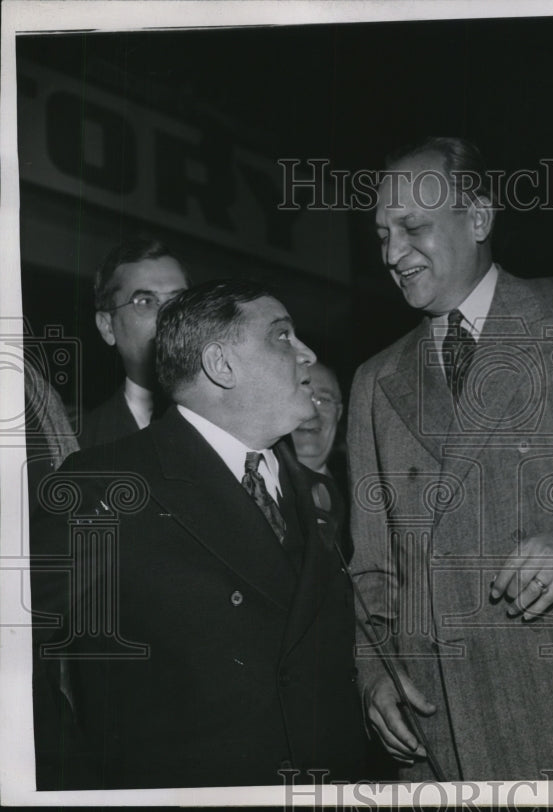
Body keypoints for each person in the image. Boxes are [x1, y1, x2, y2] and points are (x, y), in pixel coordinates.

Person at [348, 137, 553, 780]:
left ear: (478, 219)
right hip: (444, 735)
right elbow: (373, 573)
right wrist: (376, 675)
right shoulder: (374, 380)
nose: (393, 254)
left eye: (412, 227)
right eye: (381, 235)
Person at [31, 279, 365, 789]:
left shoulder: (315, 491)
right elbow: (13, 656)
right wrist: (69, 787)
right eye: (282, 336)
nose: (307, 354)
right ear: (220, 365)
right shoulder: (106, 484)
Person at [79, 236, 189, 449]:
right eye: (145, 302)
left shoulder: (239, 419)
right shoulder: (81, 443)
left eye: (178, 300)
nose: (168, 315)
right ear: (107, 327)